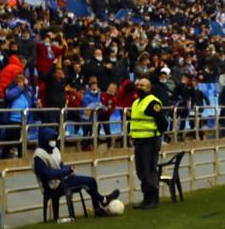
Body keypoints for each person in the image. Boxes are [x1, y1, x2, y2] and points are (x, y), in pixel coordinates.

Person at [32, 127, 121, 218]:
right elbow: (47, 174)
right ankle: (103, 200)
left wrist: (69, 168)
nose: (53, 141)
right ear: (44, 140)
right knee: (87, 182)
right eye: (51, 139)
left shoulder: (55, 150)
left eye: (54, 139)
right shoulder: (39, 155)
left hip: (62, 181)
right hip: (51, 187)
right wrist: (67, 171)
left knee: (91, 181)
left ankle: (98, 208)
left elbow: (60, 165)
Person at [129, 77, 166, 210]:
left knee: (149, 170)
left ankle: (153, 199)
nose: (139, 87)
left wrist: (156, 136)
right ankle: (146, 199)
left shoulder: (152, 102)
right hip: (139, 141)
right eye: (138, 85)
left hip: (149, 141)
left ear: (149, 88)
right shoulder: (136, 102)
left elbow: (163, 123)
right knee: (141, 171)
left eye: (143, 86)